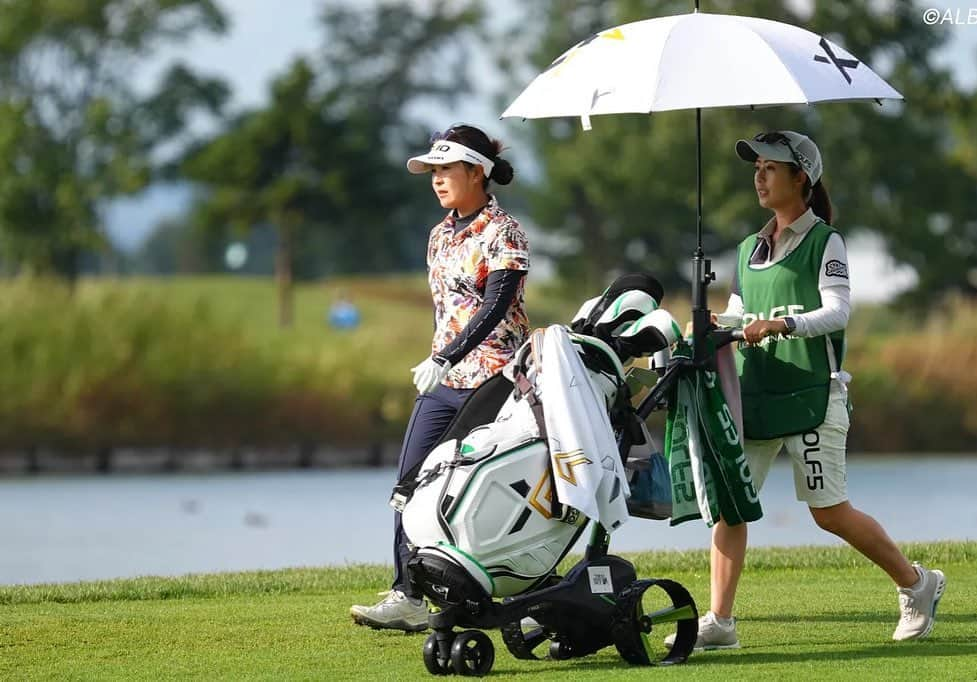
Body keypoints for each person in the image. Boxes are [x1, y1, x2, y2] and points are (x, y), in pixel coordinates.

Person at [675, 130, 946, 650]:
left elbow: (838, 310)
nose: (759, 175)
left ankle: (917, 583)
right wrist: (709, 324)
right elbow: (739, 311)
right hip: (755, 394)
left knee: (828, 513)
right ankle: (721, 622)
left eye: (770, 168)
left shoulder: (827, 241)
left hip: (812, 396)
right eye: (756, 167)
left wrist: (784, 326)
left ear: (801, 177)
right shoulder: (750, 248)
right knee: (734, 506)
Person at [350, 124, 530, 631]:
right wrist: (440, 357)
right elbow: (446, 309)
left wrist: (447, 355)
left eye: (447, 168)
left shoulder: (503, 230)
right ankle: (408, 593)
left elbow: (496, 305)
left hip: (497, 379)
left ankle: (492, 587)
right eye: (433, 170)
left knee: (469, 484)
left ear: (478, 172)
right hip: (445, 380)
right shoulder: (440, 235)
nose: (437, 178)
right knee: (409, 483)